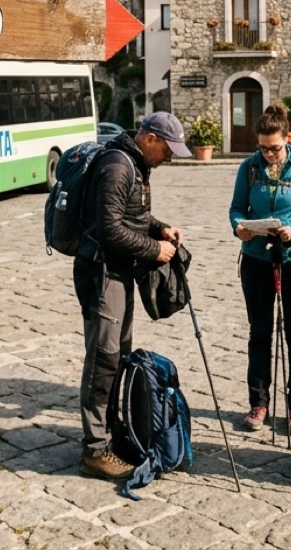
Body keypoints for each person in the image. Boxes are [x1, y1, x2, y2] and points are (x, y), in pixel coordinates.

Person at [74, 111, 188, 479]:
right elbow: (108, 229)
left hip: (119, 271)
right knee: (103, 358)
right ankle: (94, 450)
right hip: (102, 272)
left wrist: (161, 228)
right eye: (168, 150)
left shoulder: (137, 164)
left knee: (119, 354)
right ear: (150, 138)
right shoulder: (118, 166)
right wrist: (154, 250)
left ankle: (111, 432)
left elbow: (133, 217)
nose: (170, 157)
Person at [229, 103, 291, 437]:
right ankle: (259, 402)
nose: (269, 154)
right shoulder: (249, 167)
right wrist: (239, 226)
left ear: (287, 139)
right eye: (263, 148)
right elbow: (237, 207)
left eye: (275, 148)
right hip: (256, 258)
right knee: (259, 333)